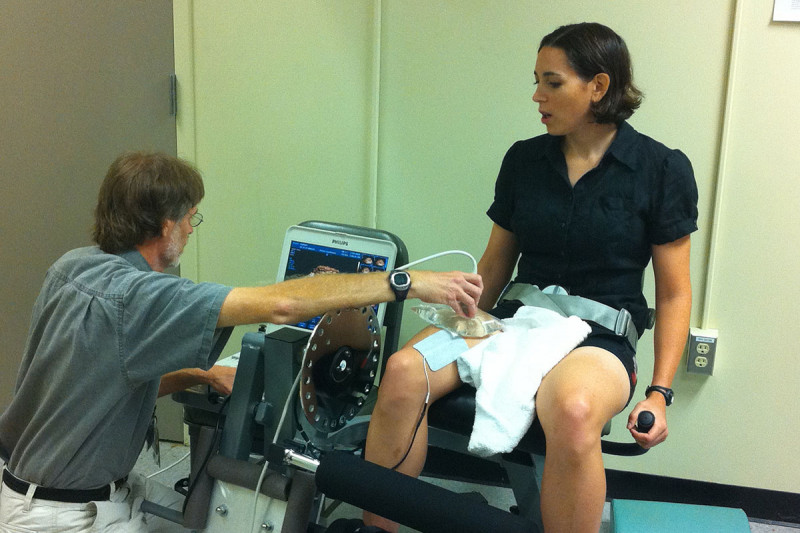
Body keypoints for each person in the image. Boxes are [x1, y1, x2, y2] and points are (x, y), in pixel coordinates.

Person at [0, 151, 483, 532]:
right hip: (64, 519)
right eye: (190, 218)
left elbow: (100, 377)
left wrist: (199, 372)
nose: (191, 229)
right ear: (166, 225)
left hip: (39, 489)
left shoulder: (73, 267)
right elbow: (281, 306)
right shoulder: (143, 297)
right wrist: (406, 282)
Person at [363, 22, 698, 533]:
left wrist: (659, 392)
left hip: (600, 338)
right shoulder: (524, 160)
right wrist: (461, 314)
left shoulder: (661, 169)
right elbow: (495, 264)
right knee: (406, 371)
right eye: (536, 80)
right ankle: (377, 527)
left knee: (573, 406)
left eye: (553, 82)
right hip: (512, 320)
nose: (537, 96)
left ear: (599, 87)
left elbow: (674, 295)